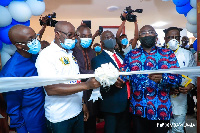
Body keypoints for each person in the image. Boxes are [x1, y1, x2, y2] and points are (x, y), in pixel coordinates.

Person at [35, 21, 101, 133]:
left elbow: (74, 81)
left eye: (74, 35)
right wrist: (86, 85)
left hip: (77, 111)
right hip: (60, 117)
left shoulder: (70, 54)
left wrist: (82, 103)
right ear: (57, 34)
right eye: (69, 35)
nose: (73, 38)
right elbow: (51, 89)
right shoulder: (47, 55)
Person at [120, 25, 182, 133]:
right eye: (143, 33)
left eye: (150, 32)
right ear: (139, 37)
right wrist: (113, 78)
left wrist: (163, 78)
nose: (147, 34)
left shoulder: (168, 54)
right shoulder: (131, 55)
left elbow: (178, 79)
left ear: (156, 36)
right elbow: (122, 76)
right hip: (138, 109)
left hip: (161, 109)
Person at [0, 25, 46, 133]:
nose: (36, 41)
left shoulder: (35, 57)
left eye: (36, 37)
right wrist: (22, 130)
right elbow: (13, 108)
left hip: (48, 114)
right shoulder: (11, 73)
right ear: (19, 46)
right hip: (32, 123)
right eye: (31, 40)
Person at [91, 30, 129, 133]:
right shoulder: (97, 59)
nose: (110, 39)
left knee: (124, 129)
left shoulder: (121, 56)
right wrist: (113, 82)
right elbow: (99, 82)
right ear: (102, 43)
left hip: (126, 101)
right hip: (111, 102)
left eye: (112, 36)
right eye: (107, 37)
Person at [164, 27, 196, 133]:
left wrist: (190, 86)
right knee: (162, 127)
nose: (173, 40)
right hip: (162, 98)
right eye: (170, 37)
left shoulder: (187, 54)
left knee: (178, 128)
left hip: (180, 98)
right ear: (165, 39)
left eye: (176, 37)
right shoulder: (159, 54)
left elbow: (192, 74)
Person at [72, 24, 98, 133]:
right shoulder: (72, 51)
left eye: (89, 36)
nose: (87, 38)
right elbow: (79, 71)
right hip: (78, 89)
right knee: (81, 120)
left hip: (93, 89)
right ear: (77, 36)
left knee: (92, 119)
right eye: (84, 36)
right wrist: (98, 73)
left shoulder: (92, 52)